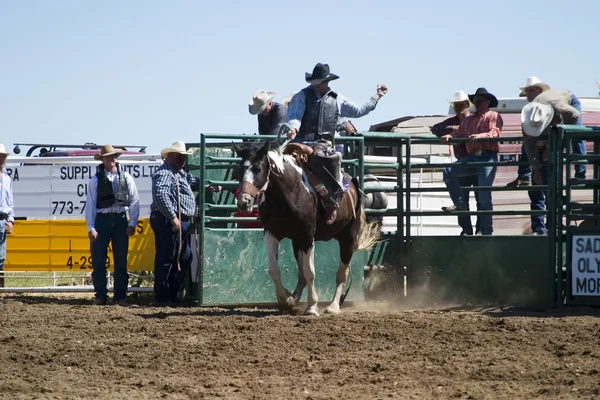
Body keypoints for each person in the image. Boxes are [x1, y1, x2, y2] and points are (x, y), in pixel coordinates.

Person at [285, 62, 388, 224]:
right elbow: (295, 117)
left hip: (324, 145)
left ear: (327, 82)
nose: (316, 85)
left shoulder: (338, 99)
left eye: (319, 82)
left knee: (319, 158)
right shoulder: (301, 96)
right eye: (315, 82)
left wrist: (377, 96)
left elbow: (359, 111)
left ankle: (331, 198)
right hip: (300, 142)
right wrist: (293, 129)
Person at [441, 88, 503, 236]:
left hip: (487, 157)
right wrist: (450, 136)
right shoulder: (469, 120)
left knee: (483, 197)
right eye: (475, 100)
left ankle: (486, 231)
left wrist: (480, 136)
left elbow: (496, 132)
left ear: (487, 102)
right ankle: (460, 205)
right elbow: (459, 134)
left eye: (480, 100)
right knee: (448, 171)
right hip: (474, 157)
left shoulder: (493, 115)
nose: (477, 103)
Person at [85, 145, 140, 305]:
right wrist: (91, 227)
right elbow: (90, 204)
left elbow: (134, 200)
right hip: (102, 220)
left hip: (121, 219)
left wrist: (132, 221)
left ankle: (120, 296)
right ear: (103, 159)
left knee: (121, 259)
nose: (112, 159)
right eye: (108, 157)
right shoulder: (95, 180)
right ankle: (101, 295)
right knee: (98, 259)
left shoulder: (127, 177)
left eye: (114, 156)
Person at [521, 90, 581, 235]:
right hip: (550, 116)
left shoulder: (562, 107)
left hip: (565, 105)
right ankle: (543, 227)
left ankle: (581, 170)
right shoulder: (529, 119)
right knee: (541, 181)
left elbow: (575, 116)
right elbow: (529, 147)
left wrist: (554, 145)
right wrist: (535, 169)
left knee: (578, 135)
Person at [150, 141, 200, 304]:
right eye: (180, 156)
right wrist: (173, 218)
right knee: (168, 258)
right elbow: (161, 195)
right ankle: (163, 296)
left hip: (177, 221)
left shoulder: (178, 173)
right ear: (170, 156)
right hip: (169, 220)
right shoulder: (165, 173)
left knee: (184, 257)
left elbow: (192, 181)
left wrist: (206, 185)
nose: (183, 159)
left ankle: (171, 294)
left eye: (184, 156)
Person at [431, 90, 481, 236]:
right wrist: (453, 129)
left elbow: (470, 131)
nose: (458, 107)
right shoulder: (454, 120)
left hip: (474, 161)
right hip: (463, 163)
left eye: (461, 104)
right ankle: (467, 230)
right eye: (456, 105)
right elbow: (436, 128)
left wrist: (455, 130)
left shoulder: (472, 119)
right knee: (464, 199)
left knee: (479, 200)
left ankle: (478, 230)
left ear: (467, 105)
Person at [506, 77, 551, 188]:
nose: (528, 94)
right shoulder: (530, 108)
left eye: (531, 90)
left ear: (539, 92)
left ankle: (524, 176)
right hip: (537, 147)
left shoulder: (546, 106)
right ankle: (524, 176)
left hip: (543, 148)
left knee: (544, 182)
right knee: (539, 185)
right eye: (527, 91)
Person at [0, 144, 14, 288]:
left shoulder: (7, 178)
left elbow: (10, 201)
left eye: (3, 156)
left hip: (3, 219)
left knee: (1, 257)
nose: (2, 159)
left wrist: (10, 220)